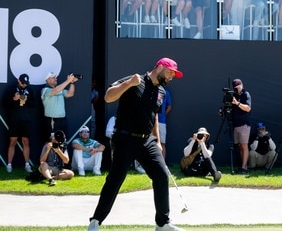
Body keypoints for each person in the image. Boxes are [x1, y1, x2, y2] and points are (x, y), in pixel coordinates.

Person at [87, 57, 185, 231]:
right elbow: (109, 97)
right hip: (125, 139)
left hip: (147, 140)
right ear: (160, 67)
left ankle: (162, 223)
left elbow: (153, 115)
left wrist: (157, 140)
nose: (171, 77)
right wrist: (128, 84)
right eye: (170, 72)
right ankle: (95, 221)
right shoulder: (135, 80)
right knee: (115, 180)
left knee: (161, 175)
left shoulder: (161, 91)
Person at [5, 73, 35, 173]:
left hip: (26, 120)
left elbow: (33, 105)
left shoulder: (29, 90)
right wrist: (14, 99)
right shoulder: (11, 90)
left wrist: (27, 100)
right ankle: (9, 164)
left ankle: (27, 164)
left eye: (26, 83)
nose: (24, 85)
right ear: (18, 80)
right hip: (14, 119)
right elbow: (4, 103)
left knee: (26, 142)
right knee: (12, 141)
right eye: (23, 83)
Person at [41, 72, 79, 139]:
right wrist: (68, 80)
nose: (56, 79)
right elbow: (55, 90)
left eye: (56, 77)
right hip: (52, 120)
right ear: (47, 80)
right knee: (51, 141)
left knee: (63, 141)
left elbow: (70, 94)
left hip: (62, 120)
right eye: (53, 77)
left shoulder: (60, 89)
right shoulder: (45, 90)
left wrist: (72, 83)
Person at [227, 79, 252, 174]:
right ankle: (243, 165)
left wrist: (237, 103)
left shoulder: (246, 94)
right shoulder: (234, 95)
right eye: (235, 88)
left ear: (242, 85)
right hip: (235, 124)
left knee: (244, 145)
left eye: (239, 87)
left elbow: (248, 108)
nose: (237, 89)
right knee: (239, 146)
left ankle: (244, 167)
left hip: (244, 124)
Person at [157, 89, 172, 159]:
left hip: (161, 122)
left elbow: (169, 106)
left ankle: (162, 163)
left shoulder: (166, 92)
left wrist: (163, 114)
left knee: (162, 142)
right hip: (151, 121)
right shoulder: (152, 90)